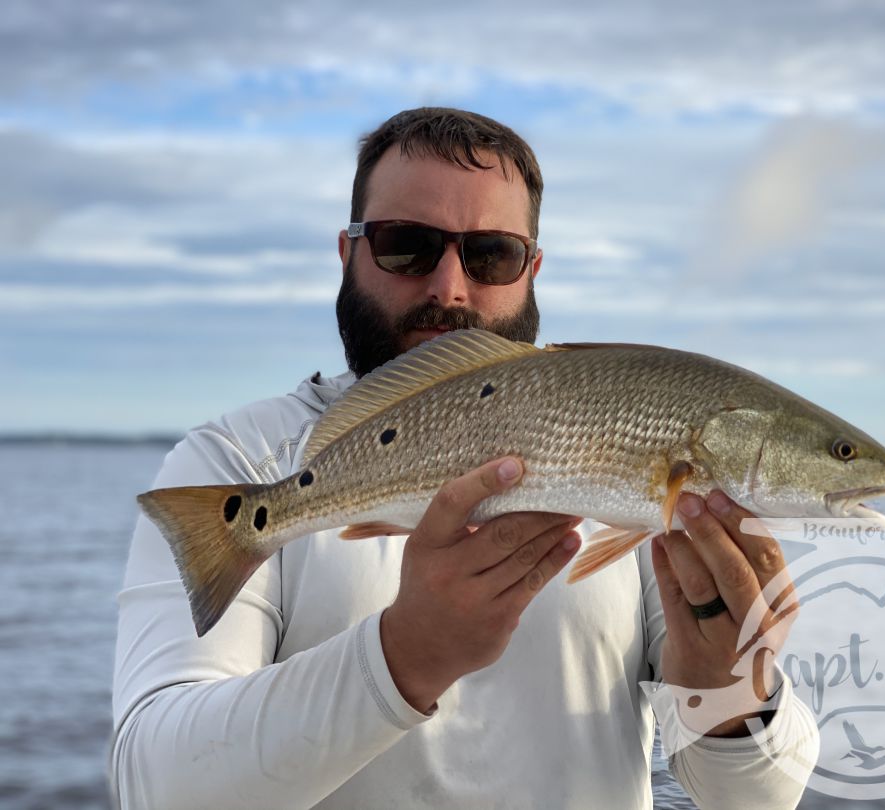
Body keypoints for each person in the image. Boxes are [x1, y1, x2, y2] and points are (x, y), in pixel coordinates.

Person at [111, 107, 818, 809]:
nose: (448, 287)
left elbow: (754, 801)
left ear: (532, 268)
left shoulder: (631, 467)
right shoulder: (237, 459)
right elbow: (156, 787)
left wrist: (732, 701)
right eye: (405, 244)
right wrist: (405, 655)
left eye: (490, 254)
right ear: (347, 252)